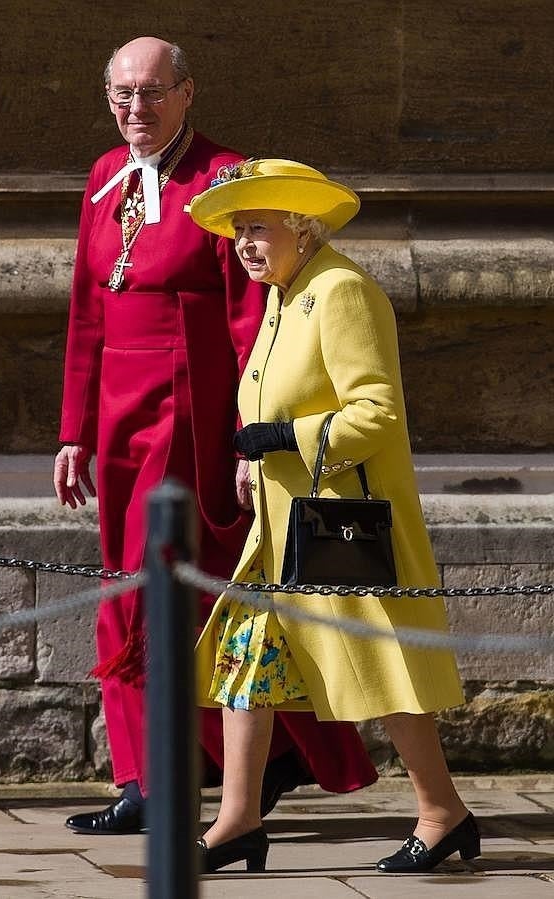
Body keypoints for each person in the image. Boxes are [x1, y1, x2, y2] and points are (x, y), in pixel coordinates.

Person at [54, 40, 377, 835]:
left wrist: (246, 438)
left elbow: (248, 318)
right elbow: (87, 312)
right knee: (124, 587)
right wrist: (73, 432)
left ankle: (178, 776)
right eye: (122, 94)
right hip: (119, 411)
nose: (137, 108)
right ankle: (182, 767)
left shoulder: (228, 179)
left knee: (170, 590)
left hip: (188, 411)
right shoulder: (102, 178)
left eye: (153, 93)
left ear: (187, 93)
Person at [188, 158, 481, 873]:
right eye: (237, 232)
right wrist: (251, 457)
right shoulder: (287, 293)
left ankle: (443, 812)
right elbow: (271, 394)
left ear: (300, 225)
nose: (244, 245)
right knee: (245, 661)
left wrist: (287, 439)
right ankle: (238, 820)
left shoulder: (342, 290)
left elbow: (375, 412)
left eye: (256, 228)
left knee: (386, 672)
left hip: (339, 526)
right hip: (281, 526)